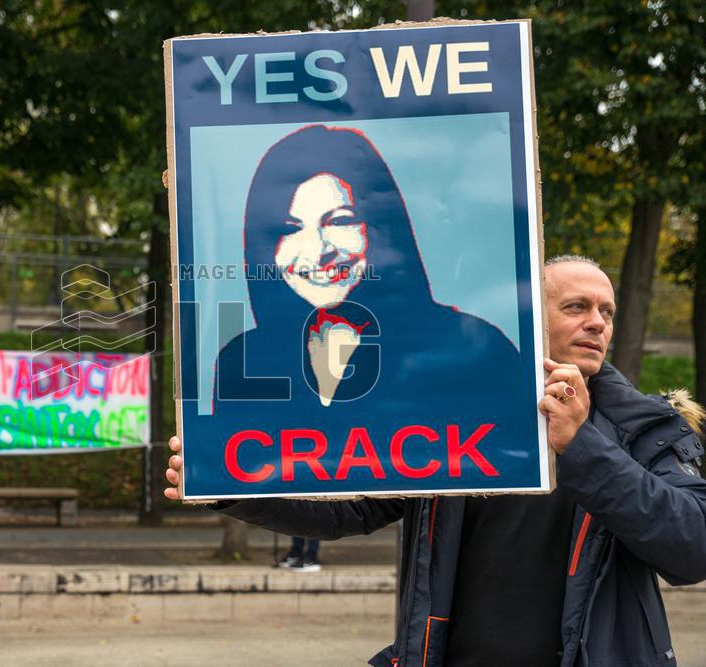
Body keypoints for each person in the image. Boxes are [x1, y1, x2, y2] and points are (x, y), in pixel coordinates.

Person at [166, 256, 706, 666]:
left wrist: (583, 445)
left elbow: (691, 549)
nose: (597, 324)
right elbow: (350, 509)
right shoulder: (456, 418)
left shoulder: (650, 427)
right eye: (575, 308)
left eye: (606, 312)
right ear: (527, 317)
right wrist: (226, 481)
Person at [190, 125, 534, 498]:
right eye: (290, 228)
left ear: (382, 228)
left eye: (339, 221)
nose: (317, 249)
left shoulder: (477, 350)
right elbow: (301, 502)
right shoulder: (244, 360)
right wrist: (213, 487)